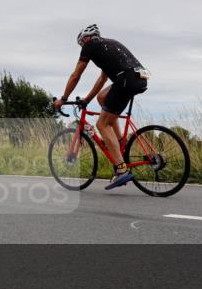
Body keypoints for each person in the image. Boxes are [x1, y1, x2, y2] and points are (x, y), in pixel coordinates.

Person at [53, 24, 150, 190]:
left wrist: (63, 98)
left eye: (81, 44)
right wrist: (87, 100)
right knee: (103, 98)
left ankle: (121, 169)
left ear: (85, 39)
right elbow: (102, 80)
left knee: (101, 124)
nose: (82, 48)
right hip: (139, 78)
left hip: (125, 80)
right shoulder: (109, 45)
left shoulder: (90, 45)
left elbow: (76, 75)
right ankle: (120, 142)